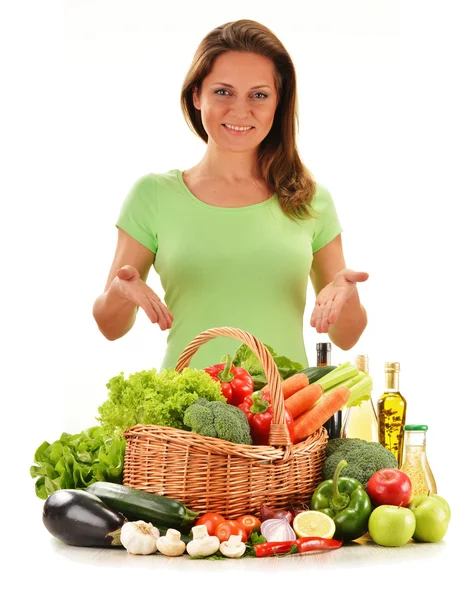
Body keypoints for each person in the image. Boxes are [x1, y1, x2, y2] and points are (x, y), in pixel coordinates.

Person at [92, 19, 369, 372]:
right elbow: (109, 327)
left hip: (282, 415)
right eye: (223, 91)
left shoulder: (309, 199)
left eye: (259, 95)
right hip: (182, 419)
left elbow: (347, 336)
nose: (240, 110)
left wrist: (347, 294)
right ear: (196, 95)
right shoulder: (154, 195)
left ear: (278, 104)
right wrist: (119, 292)